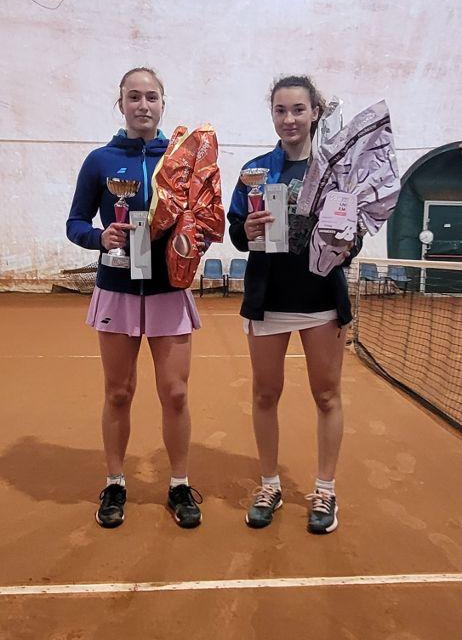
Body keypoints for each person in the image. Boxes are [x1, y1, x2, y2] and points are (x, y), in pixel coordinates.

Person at [67, 67, 205, 529]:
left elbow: (203, 215)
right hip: (118, 290)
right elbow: (75, 223)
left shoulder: (182, 160)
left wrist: (196, 238)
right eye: (134, 97)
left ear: (163, 103)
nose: (143, 105)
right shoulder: (100, 161)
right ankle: (115, 482)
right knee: (118, 392)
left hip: (168, 289)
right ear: (121, 103)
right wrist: (99, 237)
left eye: (151, 97)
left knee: (176, 393)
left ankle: (179, 483)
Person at [227, 75, 361, 534]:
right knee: (265, 394)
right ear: (272, 114)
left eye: (298, 109)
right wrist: (247, 230)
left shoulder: (336, 172)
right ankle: (270, 485)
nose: (289, 119)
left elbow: (352, 233)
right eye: (281, 110)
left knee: (326, 395)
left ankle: (325, 490)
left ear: (315, 113)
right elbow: (237, 230)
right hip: (269, 300)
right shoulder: (255, 171)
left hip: (321, 300)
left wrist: (347, 244)